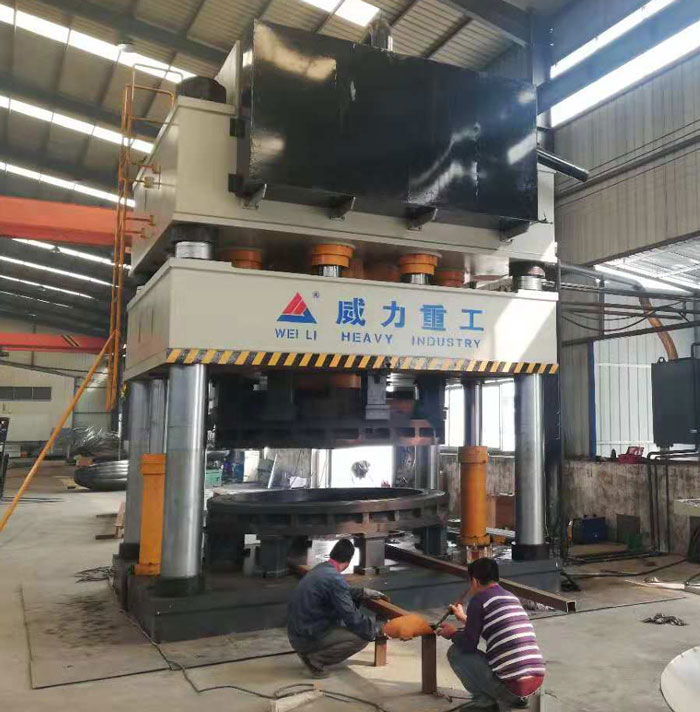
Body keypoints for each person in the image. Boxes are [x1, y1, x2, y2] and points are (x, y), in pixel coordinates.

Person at [437, 557, 545, 711]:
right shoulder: (510, 597)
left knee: (456, 652)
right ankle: (518, 699)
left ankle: (484, 703)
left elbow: (468, 644)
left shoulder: (478, 600)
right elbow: (492, 626)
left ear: (475, 581)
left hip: (512, 689)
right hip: (534, 685)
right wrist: (464, 618)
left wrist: (452, 634)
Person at [287, 538, 386, 678]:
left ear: (332, 554)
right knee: (362, 637)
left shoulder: (321, 569)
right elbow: (350, 615)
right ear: (348, 561)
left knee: (345, 624)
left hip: (297, 634)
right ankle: (315, 660)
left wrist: (361, 592)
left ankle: (308, 653)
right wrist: (373, 629)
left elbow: (338, 591)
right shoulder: (334, 578)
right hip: (308, 637)